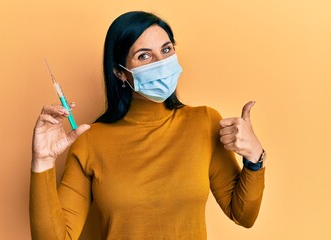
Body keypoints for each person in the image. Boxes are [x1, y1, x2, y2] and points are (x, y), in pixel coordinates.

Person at [30, 11, 266, 239]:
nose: (161, 63)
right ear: (119, 72)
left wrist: (255, 158)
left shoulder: (205, 122)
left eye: (166, 49)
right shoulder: (90, 141)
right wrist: (42, 160)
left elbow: (243, 215)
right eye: (144, 55)